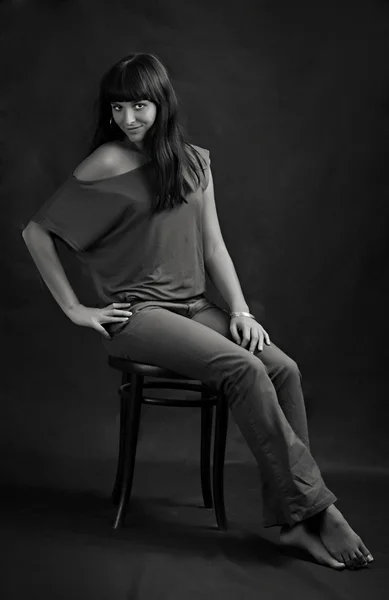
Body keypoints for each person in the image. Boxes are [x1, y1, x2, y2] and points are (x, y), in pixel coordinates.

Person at [22, 52, 373, 570]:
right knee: (243, 369)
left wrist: (240, 310)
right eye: (118, 107)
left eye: (140, 105)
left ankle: (293, 522)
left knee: (283, 369)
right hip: (140, 317)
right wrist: (75, 308)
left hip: (196, 307)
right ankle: (320, 510)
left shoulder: (195, 161)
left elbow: (213, 246)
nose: (129, 119)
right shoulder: (107, 162)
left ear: (162, 103)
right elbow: (36, 231)